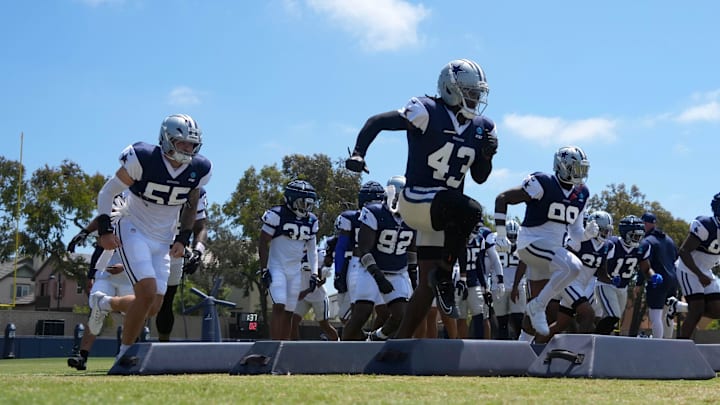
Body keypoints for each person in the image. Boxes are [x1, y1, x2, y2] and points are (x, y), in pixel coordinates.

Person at [345, 59, 498, 339]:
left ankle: (397, 343)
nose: (475, 98)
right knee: (472, 211)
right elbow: (376, 122)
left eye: (478, 92)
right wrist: (358, 152)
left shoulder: (482, 126)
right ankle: (445, 274)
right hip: (417, 200)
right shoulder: (427, 110)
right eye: (469, 91)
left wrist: (487, 154)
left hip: (444, 213)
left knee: (425, 288)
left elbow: (479, 177)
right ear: (450, 88)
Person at [94, 114, 211, 364]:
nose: (187, 149)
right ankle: (124, 354)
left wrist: (183, 238)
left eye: (192, 144)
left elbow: (191, 206)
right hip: (134, 229)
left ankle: (107, 304)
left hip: (164, 239)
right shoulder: (144, 158)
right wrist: (104, 230)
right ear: (167, 140)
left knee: (154, 306)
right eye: (182, 143)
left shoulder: (199, 169)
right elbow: (108, 191)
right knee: (146, 293)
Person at [494, 146, 593, 337]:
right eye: (576, 168)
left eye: (582, 168)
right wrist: (500, 234)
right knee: (573, 267)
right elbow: (502, 198)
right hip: (531, 244)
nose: (580, 174)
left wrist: (587, 234)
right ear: (562, 166)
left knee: (539, 319)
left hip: (551, 254)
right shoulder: (543, 182)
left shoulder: (582, 193)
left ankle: (519, 356)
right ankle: (536, 306)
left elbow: (576, 233)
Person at [537, 211, 614, 343]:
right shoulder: (580, 240)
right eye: (603, 230)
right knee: (588, 314)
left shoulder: (607, 246)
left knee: (560, 325)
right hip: (570, 282)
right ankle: (580, 352)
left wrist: (612, 280)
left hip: (585, 285)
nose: (606, 234)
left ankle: (535, 345)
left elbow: (601, 271)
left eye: (608, 231)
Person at [258, 180, 319, 340]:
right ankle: (273, 346)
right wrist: (264, 269)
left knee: (289, 311)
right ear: (291, 199)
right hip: (277, 267)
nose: (306, 207)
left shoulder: (311, 220)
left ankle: (283, 348)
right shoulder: (278, 214)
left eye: (309, 203)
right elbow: (263, 241)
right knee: (279, 305)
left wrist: (314, 273)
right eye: (302, 202)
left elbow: (313, 250)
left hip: (295, 271)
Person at [594, 215, 663, 335]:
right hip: (605, 285)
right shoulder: (613, 244)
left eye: (640, 236)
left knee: (613, 321)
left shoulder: (642, 247)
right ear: (625, 233)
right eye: (635, 235)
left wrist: (653, 276)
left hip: (623, 289)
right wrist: (610, 279)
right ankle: (593, 339)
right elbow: (599, 269)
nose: (638, 239)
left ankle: (602, 342)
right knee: (612, 316)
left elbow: (646, 269)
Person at [156, 187, 209, 342]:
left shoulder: (196, 189)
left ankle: (163, 346)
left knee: (167, 301)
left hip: (174, 249)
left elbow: (200, 226)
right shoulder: (155, 176)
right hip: (146, 243)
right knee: (141, 296)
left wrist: (198, 251)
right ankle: (130, 348)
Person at [676, 193, 720, 340]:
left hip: (706, 271)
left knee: (716, 310)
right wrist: (699, 275)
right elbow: (683, 251)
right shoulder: (707, 225)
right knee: (696, 311)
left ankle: (678, 306)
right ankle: (680, 347)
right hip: (688, 269)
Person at [640, 212, 685, 339]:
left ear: (645, 223)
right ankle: (668, 343)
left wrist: (639, 283)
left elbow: (645, 265)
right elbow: (677, 260)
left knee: (655, 316)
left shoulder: (647, 241)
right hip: (673, 281)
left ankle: (657, 345)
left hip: (657, 281)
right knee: (668, 315)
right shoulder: (669, 240)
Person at [290, 251, 339, 341]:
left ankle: (337, 343)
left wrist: (307, 290)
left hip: (318, 296)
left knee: (324, 325)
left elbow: (322, 279)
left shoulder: (319, 254)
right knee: (293, 321)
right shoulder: (296, 252)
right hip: (304, 297)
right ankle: (296, 347)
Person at [494, 220, 526, 340]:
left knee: (518, 322)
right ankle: (504, 350)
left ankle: (518, 348)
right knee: (502, 323)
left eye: (514, 236)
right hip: (501, 286)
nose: (512, 238)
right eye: (510, 235)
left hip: (515, 286)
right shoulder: (495, 241)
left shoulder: (522, 244)